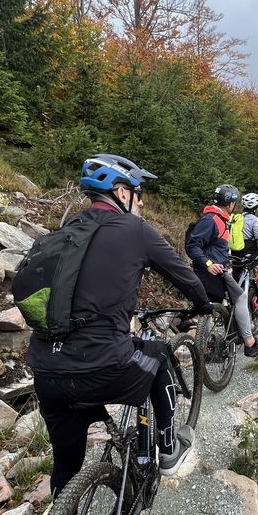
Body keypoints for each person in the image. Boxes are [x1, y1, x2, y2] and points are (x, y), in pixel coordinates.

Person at [27, 154, 214, 492]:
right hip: (102, 365)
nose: (141, 201)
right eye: (138, 192)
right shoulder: (135, 230)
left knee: (66, 466)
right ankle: (169, 452)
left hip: (46, 371)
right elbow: (184, 275)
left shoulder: (66, 233)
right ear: (120, 192)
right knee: (157, 358)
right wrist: (202, 304)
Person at [185, 185, 258, 357]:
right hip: (210, 272)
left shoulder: (218, 218)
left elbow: (213, 246)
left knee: (208, 310)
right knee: (240, 298)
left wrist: (223, 258)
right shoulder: (211, 220)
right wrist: (208, 263)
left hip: (213, 270)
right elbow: (193, 246)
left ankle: (207, 349)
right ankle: (249, 343)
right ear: (230, 203)